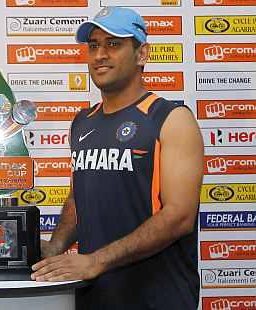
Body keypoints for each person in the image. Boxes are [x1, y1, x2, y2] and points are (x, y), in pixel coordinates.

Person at [31, 7, 203, 310]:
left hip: (158, 296)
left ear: (141, 54)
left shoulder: (171, 119)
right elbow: (79, 194)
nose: (100, 55)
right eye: (93, 45)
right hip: (93, 295)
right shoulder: (83, 121)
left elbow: (179, 217)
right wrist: (57, 246)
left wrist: (96, 261)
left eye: (113, 44)